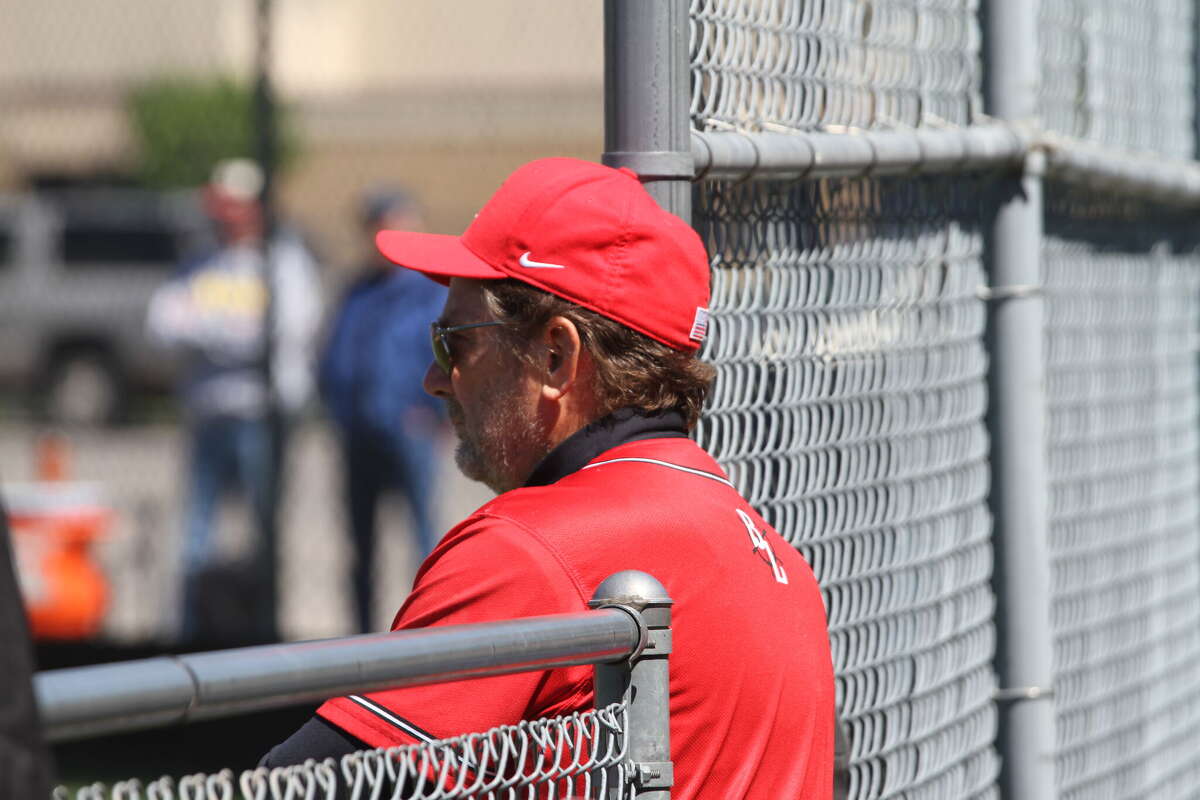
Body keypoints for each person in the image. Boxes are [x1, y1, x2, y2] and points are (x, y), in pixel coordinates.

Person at [263, 158, 835, 798]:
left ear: (556, 357)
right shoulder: (769, 547)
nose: (433, 378)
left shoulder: (529, 548)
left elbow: (299, 788)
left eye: (454, 343)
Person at [147, 158, 322, 644]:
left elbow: (282, 333)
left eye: (234, 209)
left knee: (263, 533)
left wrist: (205, 330)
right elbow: (160, 323)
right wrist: (228, 334)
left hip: (263, 420)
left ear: (256, 210)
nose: (224, 218)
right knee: (195, 534)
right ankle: (189, 634)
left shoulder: (285, 264)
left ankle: (262, 629)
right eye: (219, 209)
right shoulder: (200, 262)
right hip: (208, 415)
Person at [319, 189, 447, 633]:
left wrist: (434, 413)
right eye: (376, 228)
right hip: (359, 432)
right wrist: (338, 409)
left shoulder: (430, 291)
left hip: (410, 429)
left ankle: (427, 632)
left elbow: (450, 354)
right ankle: (362, 637)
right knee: (361, 546)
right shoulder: (358, 290)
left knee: (423, 541)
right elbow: (335, 355)